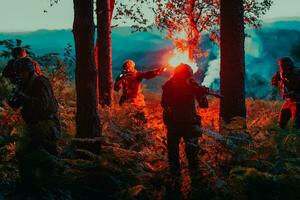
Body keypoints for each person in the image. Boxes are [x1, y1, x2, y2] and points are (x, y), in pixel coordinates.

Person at [7, 57, 60, 196]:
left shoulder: (41, 82)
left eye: (22, 72)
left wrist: (23, 97)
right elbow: (16, 105)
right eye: (17, 73)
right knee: (25, 155)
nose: (19, 75)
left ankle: (47, 186)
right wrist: (14, 99)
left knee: (41, 157)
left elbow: (43, 105)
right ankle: (32, 186)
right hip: (33, 126)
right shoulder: (24, 83)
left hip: (47, 125)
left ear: (29, 71)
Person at [161, 64, 209, 192]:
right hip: (187, 124)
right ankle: (195, 181)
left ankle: (176, 180)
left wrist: (201, 92)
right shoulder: (191, 85)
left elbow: (164, 103)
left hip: (175, 124)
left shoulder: (169, 84)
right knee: (192, 154)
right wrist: (201, 93)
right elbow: (204, 105)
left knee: (174, 154)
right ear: (189, 74)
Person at [272, 57, 300, 129]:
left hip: (297, 102)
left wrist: (294, 93)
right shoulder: (281, 73)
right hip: (288, 102)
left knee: (296, 125)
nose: (283, 67)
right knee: (281, 124)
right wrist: (280, 83)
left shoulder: (297, 73)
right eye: (282, 65)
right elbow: (273, 81)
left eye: (285, 65)